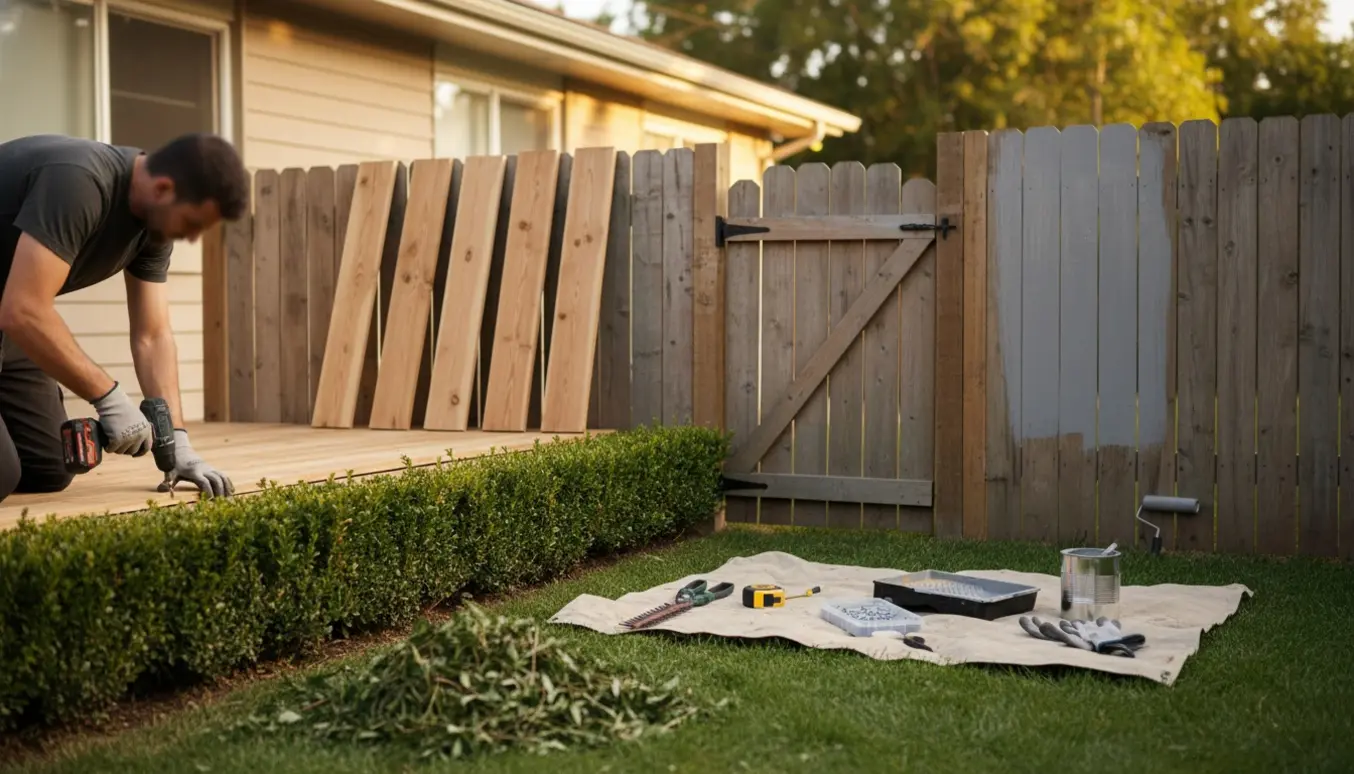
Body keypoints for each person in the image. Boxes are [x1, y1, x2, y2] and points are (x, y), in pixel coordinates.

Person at [0, 132, 248, 504]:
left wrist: (177, 440)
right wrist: (108, 397)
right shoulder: (79, 182)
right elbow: (24, 309)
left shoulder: (154, 225)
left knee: (48, 466)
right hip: (12, 310)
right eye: (194, 223)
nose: (193, 238)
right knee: (3, 473)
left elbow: (154, 335)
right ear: (164, 188)